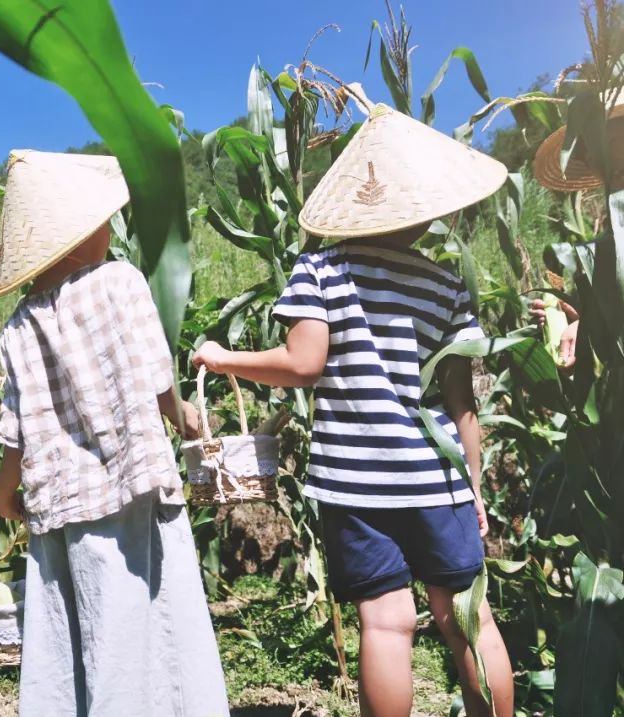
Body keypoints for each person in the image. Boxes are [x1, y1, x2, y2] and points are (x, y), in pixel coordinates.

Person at [192, 105, 514, 717]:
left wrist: (223, 356)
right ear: (423, 211)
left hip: (354, 482)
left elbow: (303, 363)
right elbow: (462, 404)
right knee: (466, 618)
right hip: (435, 479)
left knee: (387, 624)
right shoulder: (447, 286)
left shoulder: (322, 269)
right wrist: (473, 485)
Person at [0, 150, 229, 717]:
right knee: (142, 627)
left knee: (69, 633)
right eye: (102, 222)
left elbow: (15, 429)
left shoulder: (18, 326)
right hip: (129, 490)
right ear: (77, 237)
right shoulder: (119, 282)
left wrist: (5, 492)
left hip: (60, 506)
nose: (109, 230)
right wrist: (182, 415)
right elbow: (154, 374)